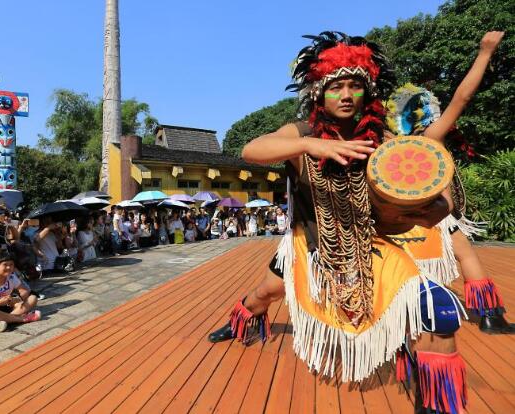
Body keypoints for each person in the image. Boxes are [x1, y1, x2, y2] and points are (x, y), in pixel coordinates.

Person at [207, 32, 467, 414]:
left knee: (438, 308)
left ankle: (435, 402)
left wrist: (436, 207)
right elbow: (251, 150)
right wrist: (312, 145)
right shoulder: (302, 132)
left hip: (369, 247)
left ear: (367, 92)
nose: (346, 95)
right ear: (318, 92)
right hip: (311, 247)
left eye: (355, 86)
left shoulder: (382, 140)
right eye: (336, 87)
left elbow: (429, 186)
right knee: (266, 293)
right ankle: (242, 321)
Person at [385, 31, 511, 334]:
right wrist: (485, 53)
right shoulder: (431, 137)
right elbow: (462, 98)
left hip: (398, 214)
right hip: (438, 213)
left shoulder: (386, 143)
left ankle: (403, 311)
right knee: (465, 254)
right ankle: (490, 315)